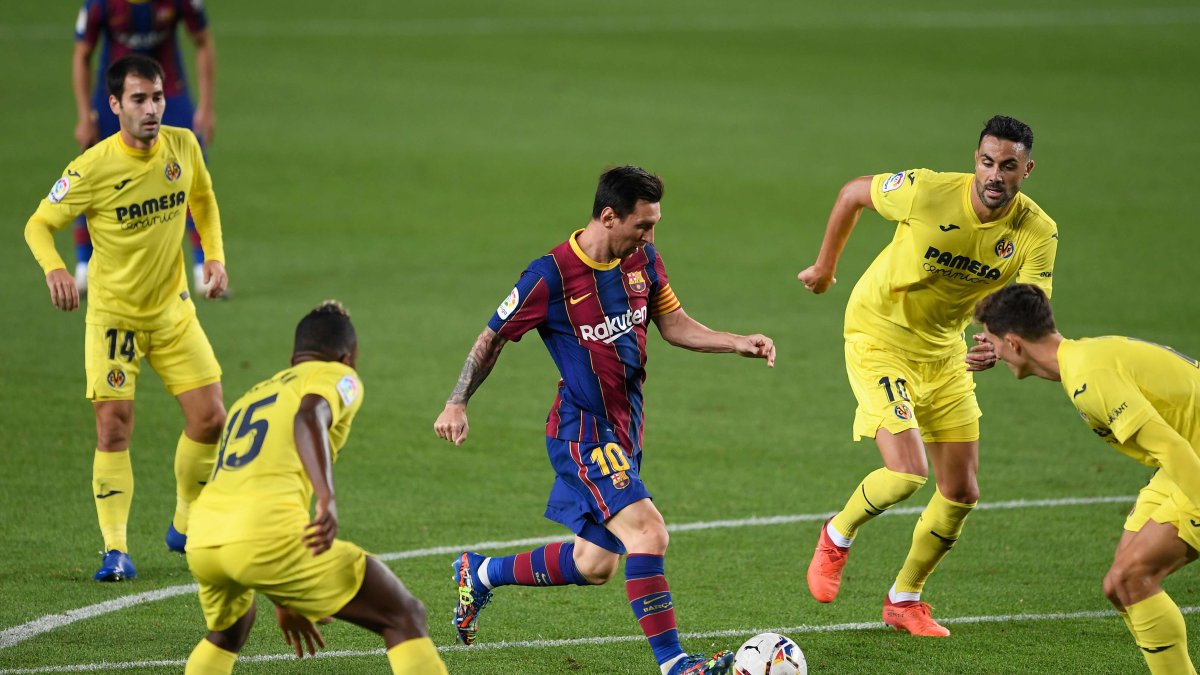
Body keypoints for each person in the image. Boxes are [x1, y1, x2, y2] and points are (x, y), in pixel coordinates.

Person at [433, 166, 776, 675]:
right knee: (648, 532)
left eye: (654, 224)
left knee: (594, 565)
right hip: (581, 431)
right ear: (609, 216)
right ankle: (676, 664)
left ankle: (481, 572)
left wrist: (736, 341)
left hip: (626, 429)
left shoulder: (643, 261)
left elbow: (673, 324)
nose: (651, 235)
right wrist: (457, 401)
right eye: (643, 224)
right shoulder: (549, 275)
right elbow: (494, 336)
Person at [796, 115, 1058, 635]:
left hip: (944, 353)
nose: (995, 175)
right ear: (975, 160)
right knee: (907, 472)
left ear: (1026, 169)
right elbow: (852, 194)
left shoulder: (1036, 231)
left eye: (1008, 166)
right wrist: (825, 268)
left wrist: (1000, 348)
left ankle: (905, 599)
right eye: (987, 162)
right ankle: (837, 535)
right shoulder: (925, 190)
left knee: (961, 491)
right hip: (879, 337)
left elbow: (1029, 310)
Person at [24, 54, 230, 581]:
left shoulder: (183, 145)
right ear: (114, 105)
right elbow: (38, 225)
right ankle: (115, 549)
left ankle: (184, 524)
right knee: (114, 429)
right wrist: (55, 271)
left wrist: (214, 258)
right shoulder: (91, 167)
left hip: (173, 312)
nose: (152, 108)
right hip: (114, 320)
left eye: (157, 97)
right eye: (139, 99)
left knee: (211, 418)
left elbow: (202, 199)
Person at [183, 301, 448, 675]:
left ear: (295, 355)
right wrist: (327, 497)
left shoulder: (253, 395)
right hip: (263, 537)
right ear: (347, 357)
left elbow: (259, 481)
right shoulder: (337, 376)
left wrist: (285, 600)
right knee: (404, 615)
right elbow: (309, 416)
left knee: (229, 632)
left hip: (205, 538)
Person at [975, 283, 1200, 675]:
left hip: (1187, 457)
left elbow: (1171, 449)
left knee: (1133, 578)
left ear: (1013, 342)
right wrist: (1003, 347)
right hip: (1186, 452)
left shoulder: (1089, 379)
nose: (991, 350)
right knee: (1119, 586)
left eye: (994, 342)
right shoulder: (1083, 358)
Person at [72, 0, 219, 296]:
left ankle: (203, 267)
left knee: (192, 173)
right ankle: (84, 266)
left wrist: (206, 106)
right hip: (115, 96)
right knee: (90, 174)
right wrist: (85, 114)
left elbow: (203, 41)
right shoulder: (100, 5)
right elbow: (82, 55)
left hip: (169, 93)